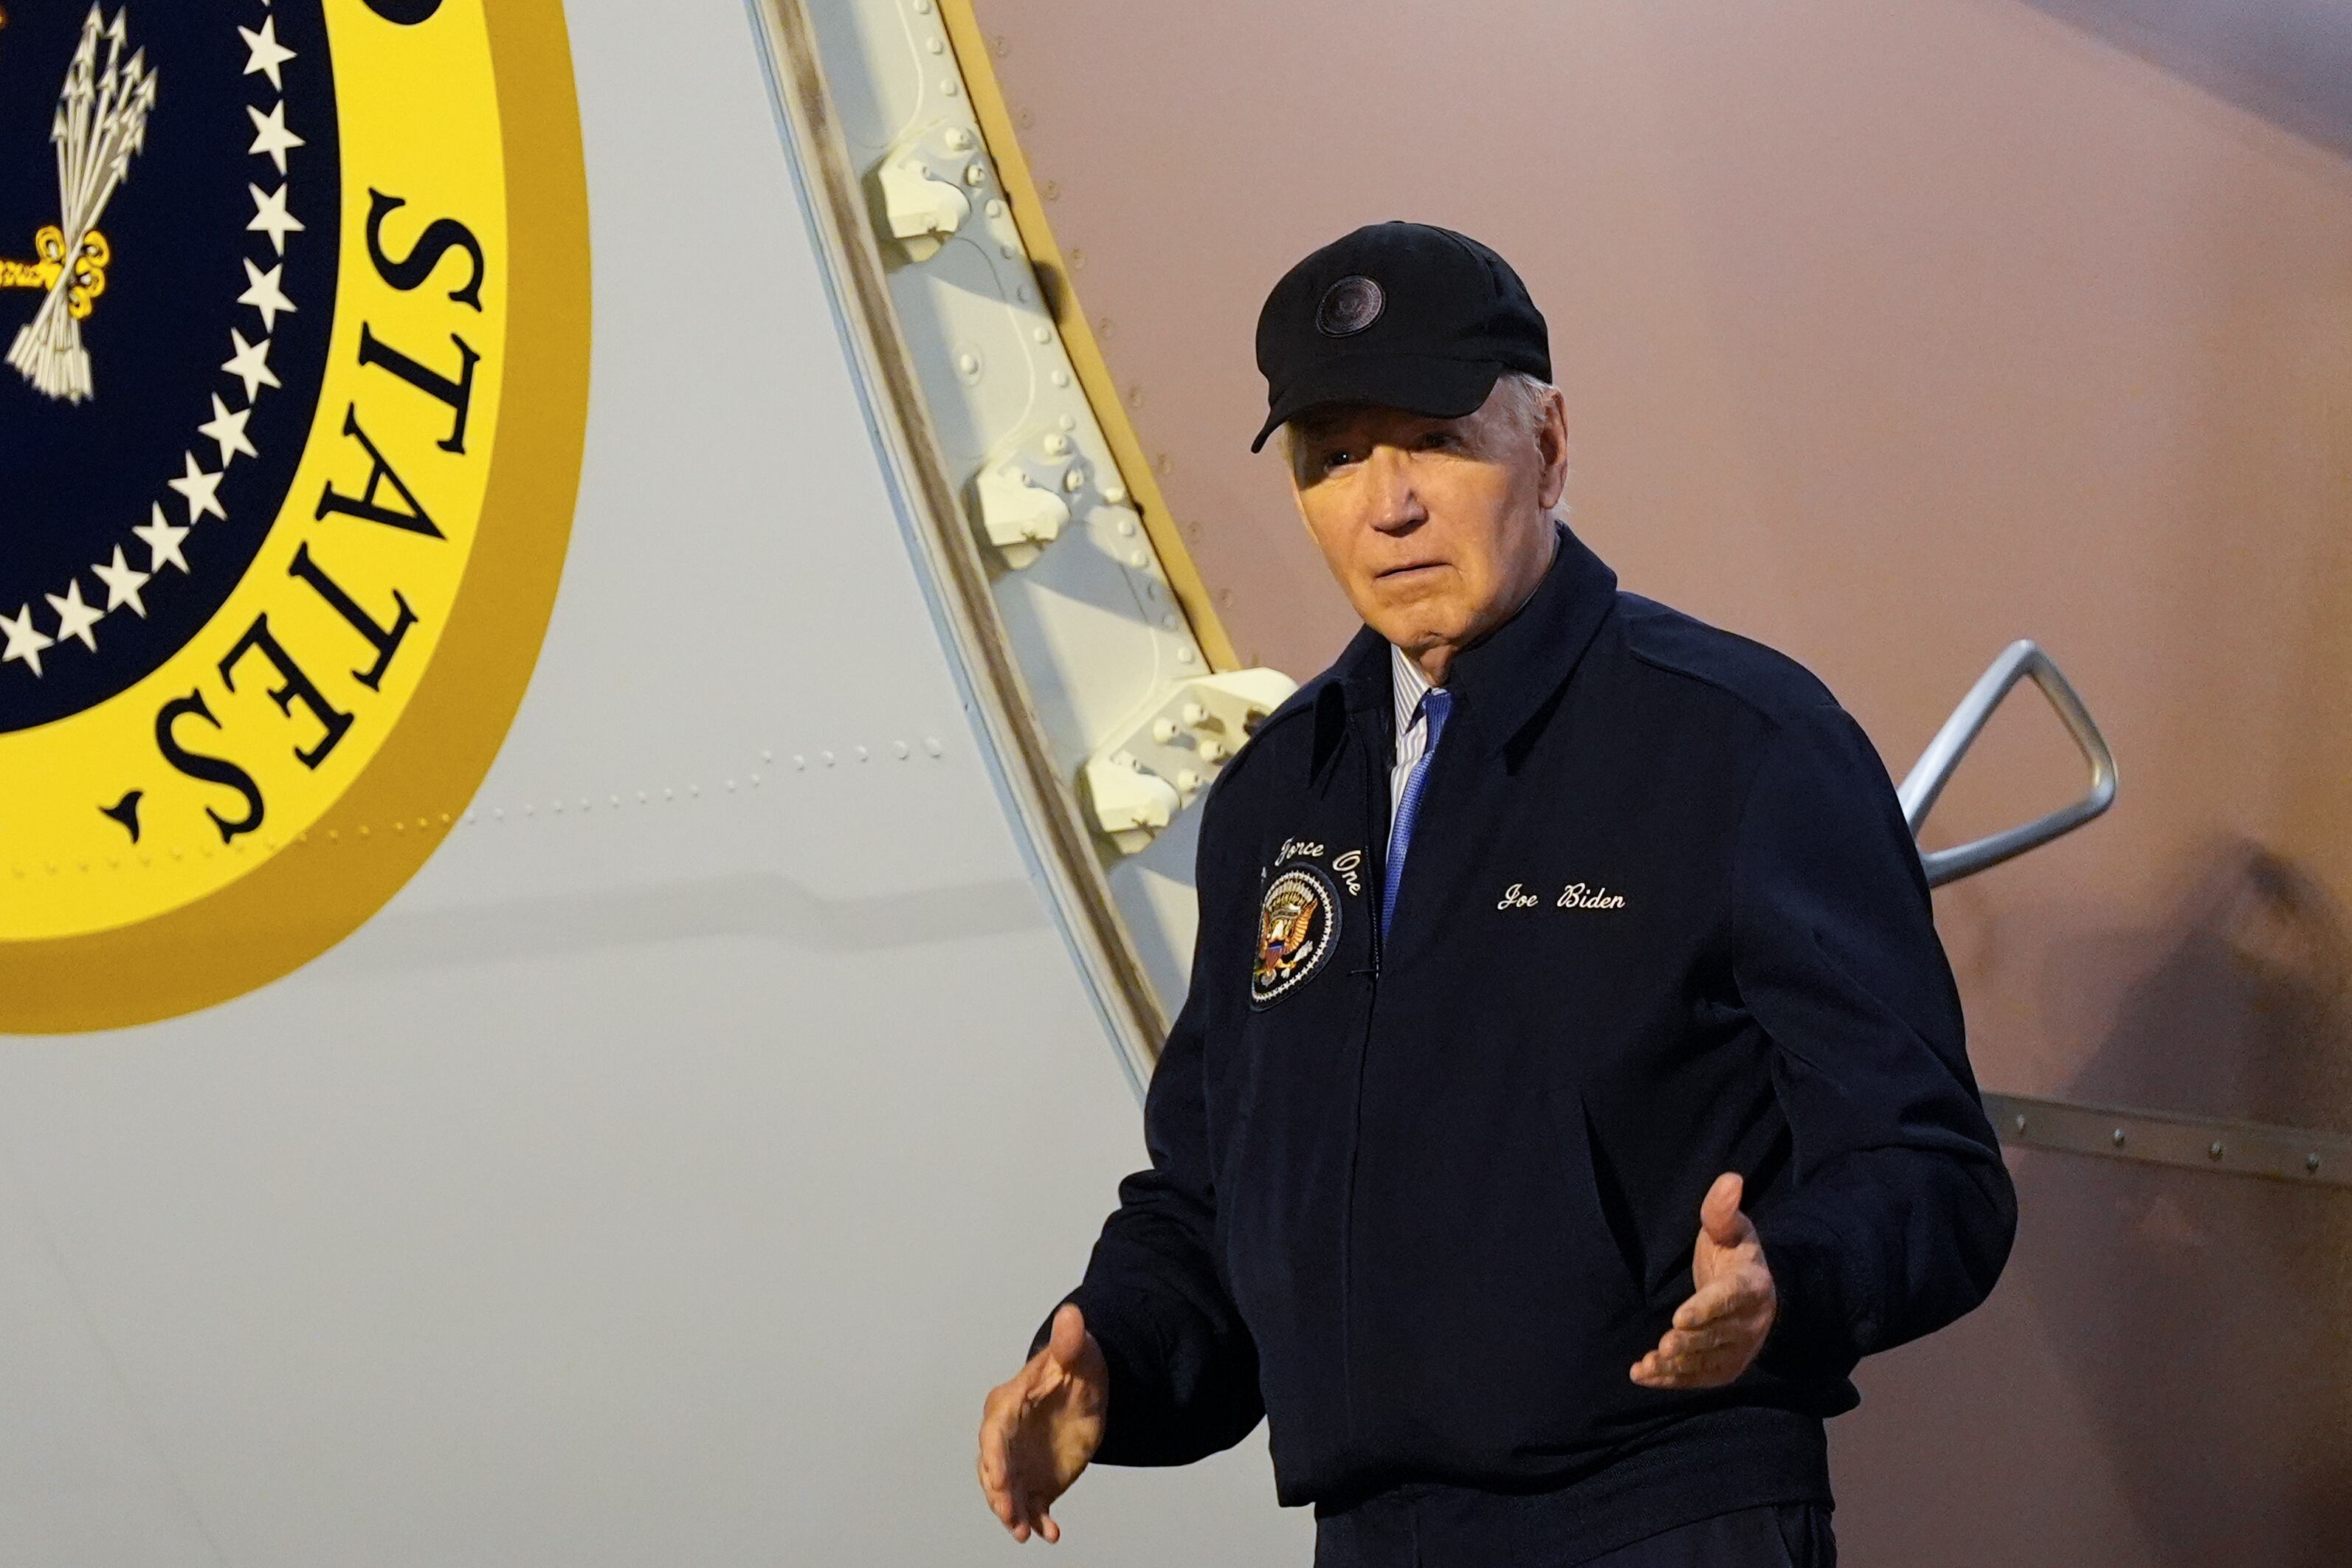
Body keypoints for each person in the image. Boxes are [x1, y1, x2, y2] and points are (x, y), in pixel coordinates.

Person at [976, 221, 2016, 1567]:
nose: (1385, 500)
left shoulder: (1740, 742)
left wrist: (1786, 1279)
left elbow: (1933, 1174)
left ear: (1551, 445)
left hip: (1667, 1516)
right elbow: (1214, 1208)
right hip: (1372, 1538)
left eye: (1434, 439)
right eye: (1335, 457)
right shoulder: (1277, 795)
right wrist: (1110, 1360)